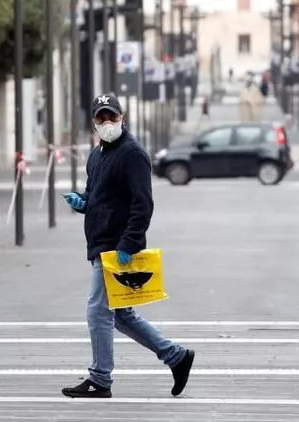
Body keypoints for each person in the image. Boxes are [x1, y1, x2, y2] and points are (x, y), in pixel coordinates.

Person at [61, 93, 195, 399]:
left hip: (116, 247)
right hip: (100, 243)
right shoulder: (97, 155)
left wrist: (129, 243)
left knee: (97, 311)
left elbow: (142, 204)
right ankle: (176, 356)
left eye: (112, 116)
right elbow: (96, 195)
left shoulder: (133, 154)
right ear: (93, 124)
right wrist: (82, 203)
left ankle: (100, 379)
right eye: (101, 118)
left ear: (123, 118)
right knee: (121, 316)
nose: (107, 122)